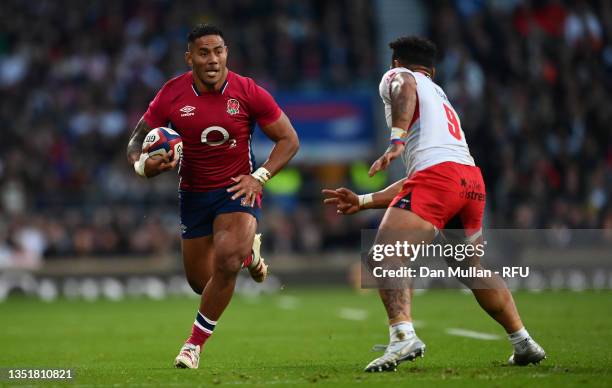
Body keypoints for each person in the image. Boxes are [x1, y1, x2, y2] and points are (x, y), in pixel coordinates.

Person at [322, 36, 545, 372]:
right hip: (469, 182)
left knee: (383, 254)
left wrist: (396, 140)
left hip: (440, 179)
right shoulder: (441, 97)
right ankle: (523, 340)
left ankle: (403, 335)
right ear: (434, 70)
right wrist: (365, 200)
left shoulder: (398, 77)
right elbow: (422, 177)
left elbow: (405, 86)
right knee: (470, 269)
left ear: (395, 62)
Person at [126, 24, 299, 369]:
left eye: (218, 51)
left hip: (238, 189)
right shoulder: (171, 94)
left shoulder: (248, 91)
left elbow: (289, 140)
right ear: (189, 58)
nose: (212, 59)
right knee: (201, 281)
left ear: (226, 53)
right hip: (193, 195)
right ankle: (250, 256)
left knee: (226, 262)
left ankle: (193, 345)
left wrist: (259, 177)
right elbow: (135, 142)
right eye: (203, 53)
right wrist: (144, 167)